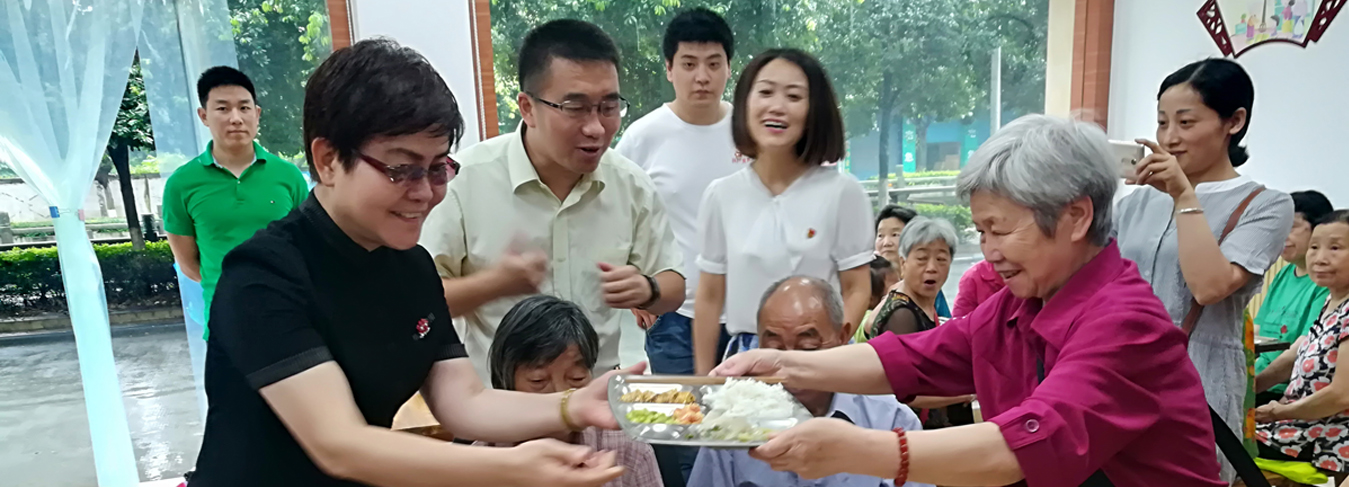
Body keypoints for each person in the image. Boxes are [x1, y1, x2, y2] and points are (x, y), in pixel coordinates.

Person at [189, 38, 637, 487]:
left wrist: (573, 406)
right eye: (401, 170)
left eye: (438, 168)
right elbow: (340, 444)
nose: (424, 192)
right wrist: (512, 468)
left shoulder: (411, 266)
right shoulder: (264, 276)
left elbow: (464, 401)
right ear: (328, 160)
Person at [711, 115, 1225, 487]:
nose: (989, 251)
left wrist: (855, 450)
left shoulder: (1126, 324)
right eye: (981, 231)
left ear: (1076, 217)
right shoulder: (1023, 302)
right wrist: (785, 364)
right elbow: (916, 356)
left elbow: (1021, 448)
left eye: (999, 229)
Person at [421, 20, 685, 383]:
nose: (596, 127)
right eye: (575, 108)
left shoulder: (631, 184)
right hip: (498, 404)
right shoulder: (465, 180)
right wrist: (494, 283)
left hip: (595, 397)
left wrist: (647, 289)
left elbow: (673, 285)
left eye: (609, 107)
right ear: (527, 107)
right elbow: (420, 304)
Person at [1114, 58, 1293, 481]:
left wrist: (1183, 196)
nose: (1169, 138)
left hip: (1200, 381)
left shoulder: (1264, 204)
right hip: (1119, 375)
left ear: (1234, 121)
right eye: (1162, 123)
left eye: (1186, 122)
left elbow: (1210, 286)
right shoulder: (1136, 202)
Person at [692, 48, 873, 375]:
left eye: (794, 96)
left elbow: (857, 288)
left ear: (814, 110)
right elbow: (709, 297)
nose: (777, 106)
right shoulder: (721, 195)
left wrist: (825, 351)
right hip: (746, 360)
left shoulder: (843, 192)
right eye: (765, 92)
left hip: (819, 360)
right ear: (745, 103)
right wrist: (704, 382)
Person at [691, 276, 930, 487]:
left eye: (808, 348)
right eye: (774, 350)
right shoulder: (730, 422)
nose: (787, 366)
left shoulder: (891, 420)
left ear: (842, 337)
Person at [615, 6, 739, 377]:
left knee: (749, 412)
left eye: (714, 64)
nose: (702, 76)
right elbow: (615, 216)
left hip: (749, 314)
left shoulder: (751, 132)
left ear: (728, 68)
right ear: (669, 68)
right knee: (683, 410)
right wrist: (640, 286)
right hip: (674, 315)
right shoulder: (643, 137)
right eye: (688, 64)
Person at [163, 66, 309, 338]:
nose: (236, 118)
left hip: (289, 318)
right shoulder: (181, 184)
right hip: (224, 323)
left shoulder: (289, 176)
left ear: (257, 113)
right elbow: (189, 264)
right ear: (204, 116)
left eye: (244, 108)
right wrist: (234, 284)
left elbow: (307, 246)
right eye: (222, 109)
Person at [480, 295, 663, 487]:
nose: (560, 394)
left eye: (576, 378)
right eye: (538, 381)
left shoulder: (628, 449)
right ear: (506, 382)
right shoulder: (483, 457)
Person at [1253, 210, 1349, 480]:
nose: (1320, 258)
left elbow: (1341, 395)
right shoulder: (1332, 302)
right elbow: (1298, 352)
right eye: (1315, 247)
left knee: (1219, 441)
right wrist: (1250, 387)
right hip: (1300, 424)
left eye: (1335, 248)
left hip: (1325, 435)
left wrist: (1279, 412)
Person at [859, 217, 973, 428]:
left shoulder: (925, 304)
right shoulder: (902, 315)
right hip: (906, 431)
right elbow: (906, 394)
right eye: (921, 259)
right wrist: (966, 393)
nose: (932, 268)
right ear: (903, 263)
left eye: (941, 259)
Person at [1254, 190, 1334, 405]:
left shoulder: (1326, 283)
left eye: (1291, 227)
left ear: (1319, 230)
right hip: (1256, 379)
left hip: (1283, 388)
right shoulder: (1284, 274)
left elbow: (1304, 348)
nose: (1281, 235)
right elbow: (1256, 333)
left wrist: (1252, 388)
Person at [873, 205, 951, 319]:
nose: (886, 243)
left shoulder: (928, 282)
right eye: (880, 236)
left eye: (895, 235)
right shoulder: (869, 280)